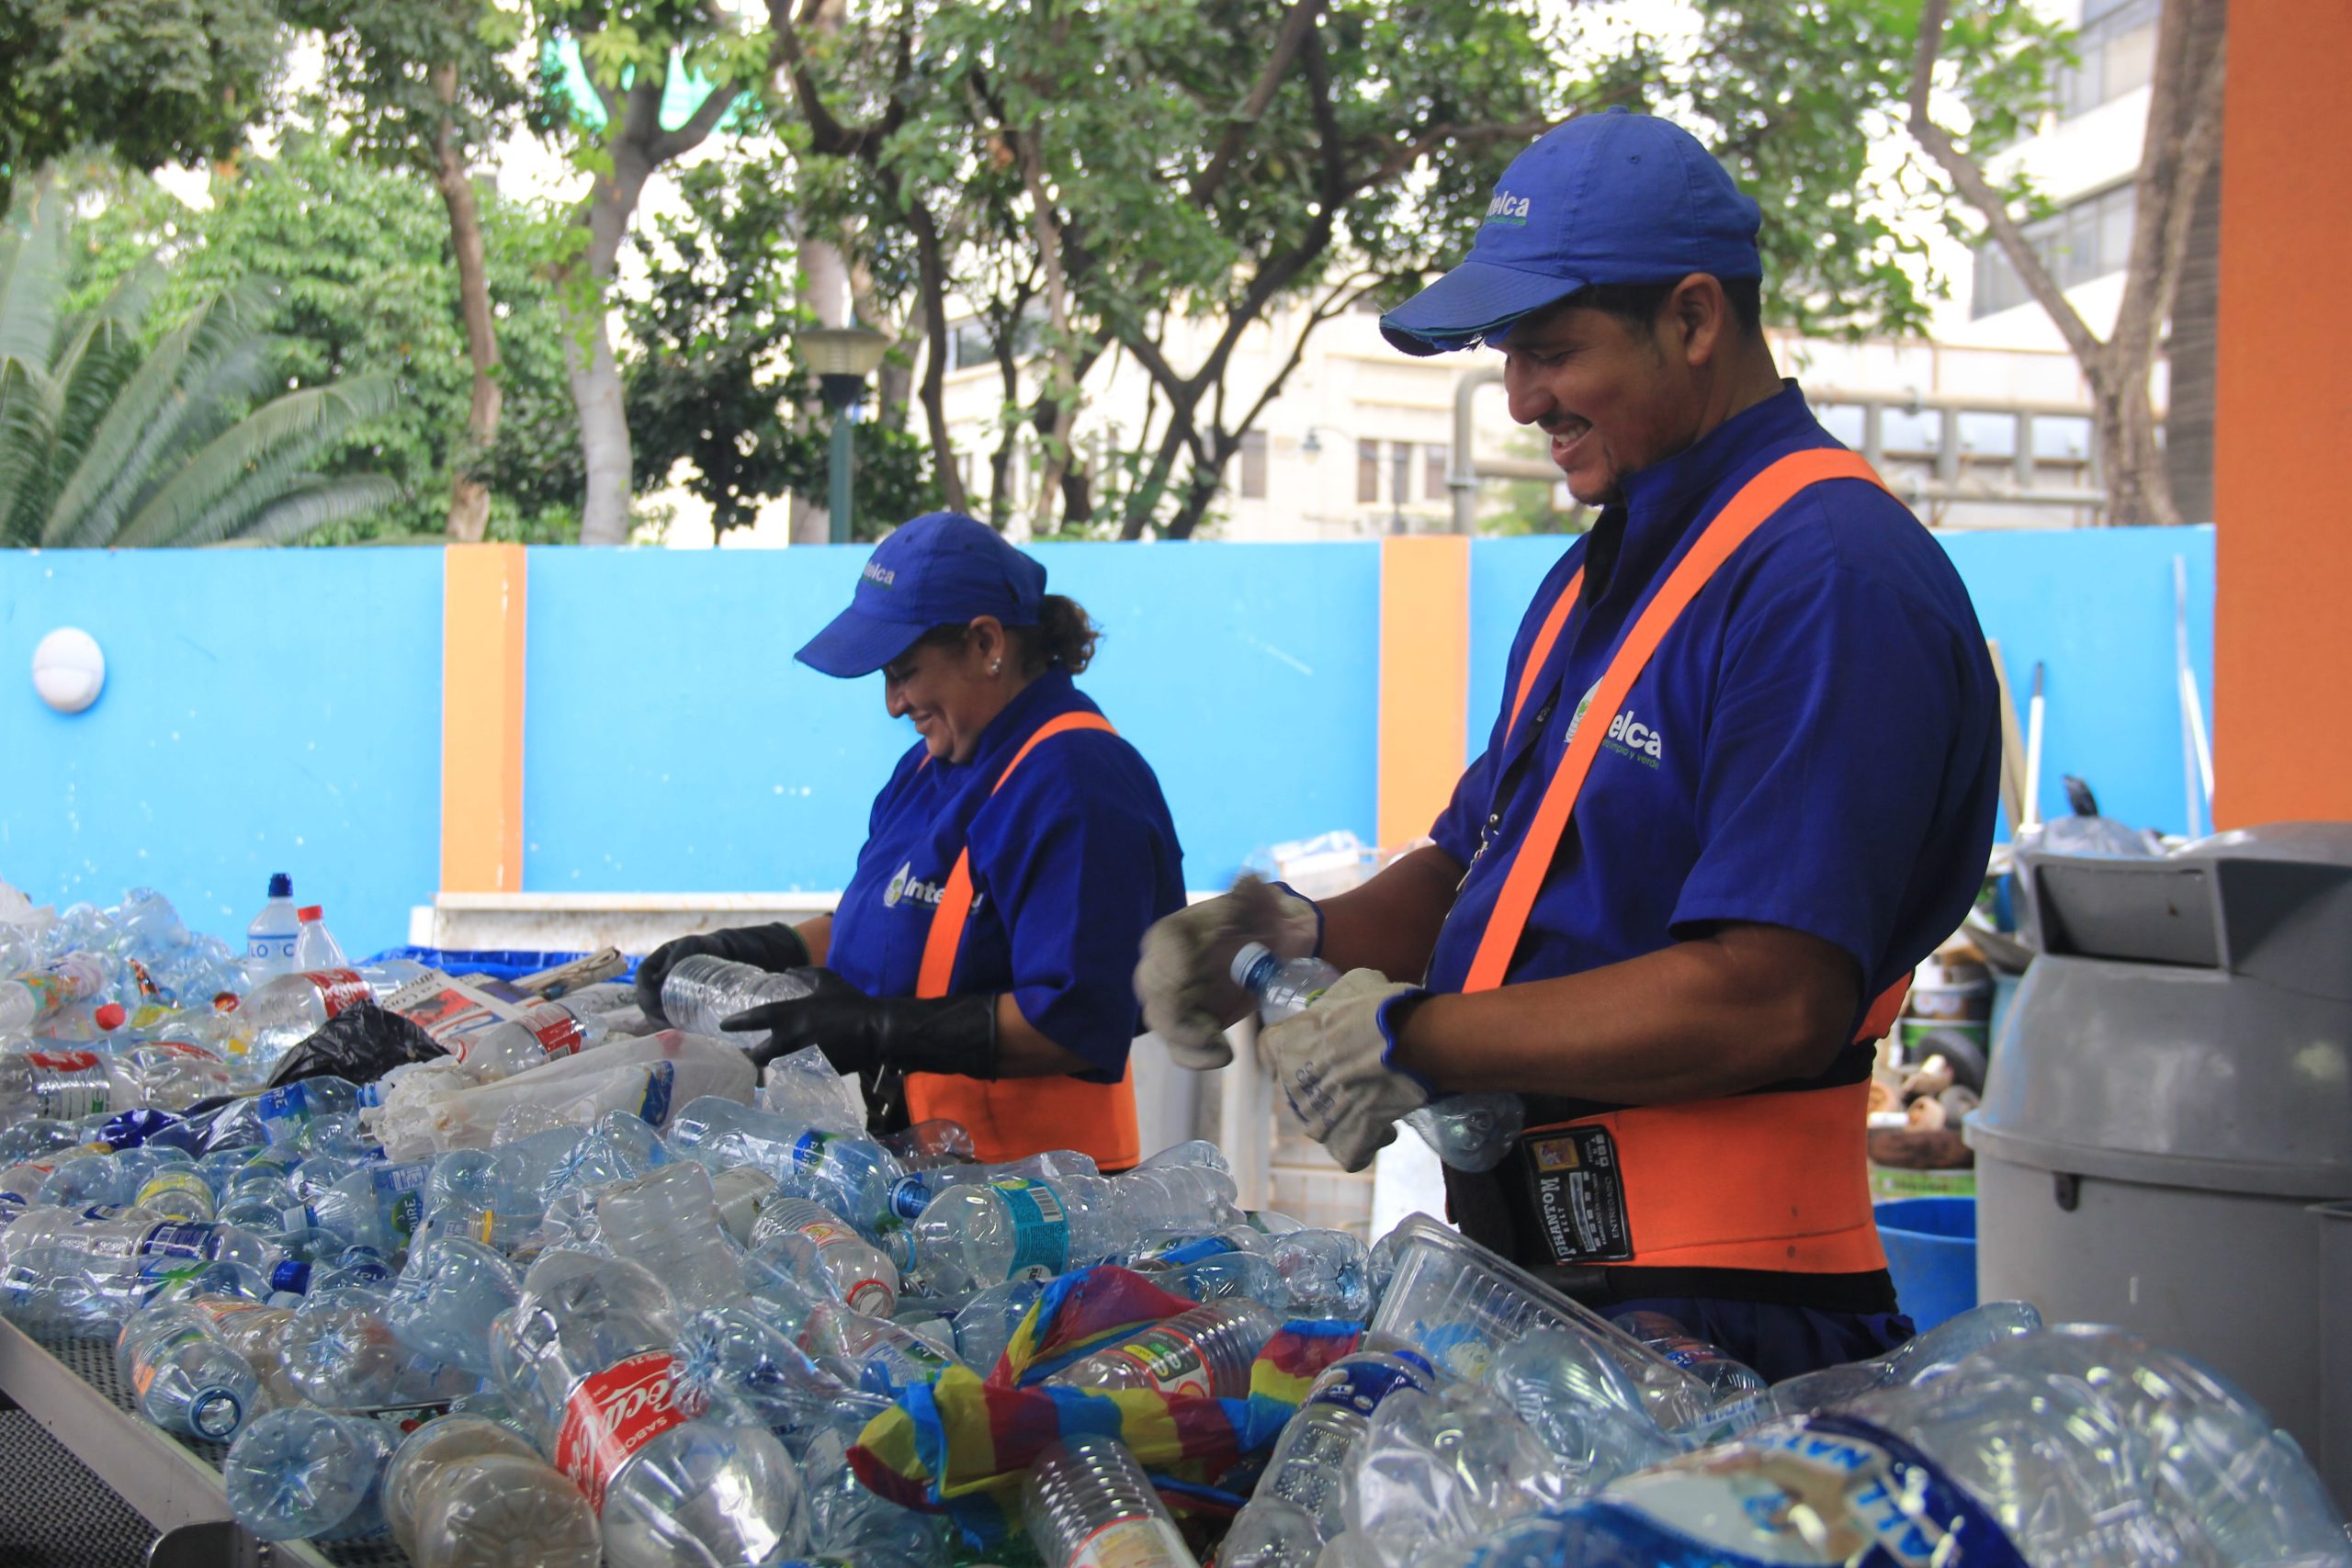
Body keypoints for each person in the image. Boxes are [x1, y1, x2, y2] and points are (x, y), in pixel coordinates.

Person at [1136, 110, 1999, 1381]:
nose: (1522, 399)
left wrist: (1417, 1037)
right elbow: (1479, 867)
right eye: (1509, 356)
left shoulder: (1827, 577)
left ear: (1695, 319)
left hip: (1726, 1324)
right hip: (1546, 1302)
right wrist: (1291, 934)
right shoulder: (1608, 574)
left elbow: (1771, 993)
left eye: (1551, 352)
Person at [639, 511, 1184, 1170]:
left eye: (904, 671)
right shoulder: (934, 766)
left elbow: (1073, 1018)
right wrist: (760, 948)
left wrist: (879, 1029)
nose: (894, 703)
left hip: (1049, 1196)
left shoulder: (1079, 784)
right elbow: (892, 920)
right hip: (929, 1174)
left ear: (986, 643)